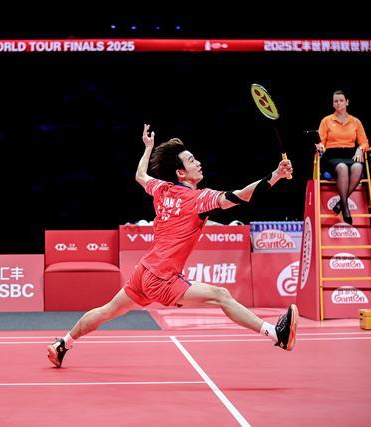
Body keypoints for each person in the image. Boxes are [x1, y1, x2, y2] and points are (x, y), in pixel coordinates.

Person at [47, 124, 298, 368]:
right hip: (162, 278)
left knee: (107, 310)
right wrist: (275, 176)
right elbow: (241, 195)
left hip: (144, 271)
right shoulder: (200, 199)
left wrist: (148, 148)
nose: (198, 163)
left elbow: (140, 176)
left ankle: (62, 344)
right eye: (191, 160)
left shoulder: (162, 190)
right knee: (221, 295)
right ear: (181, 173)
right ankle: (276, 334)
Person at [315, 90, 369, 225]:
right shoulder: (326, 121)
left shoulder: (355, 121)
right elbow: (320, 141)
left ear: (347, 102)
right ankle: (345, 208)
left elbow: (364, 142)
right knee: (342, 167)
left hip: (350, 155)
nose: (338, 103)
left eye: (341, 100)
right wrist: (320, 146)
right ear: (333, 104)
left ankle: (340, 203)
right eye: (336, 101)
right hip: (332, 156)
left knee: (358, 166)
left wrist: (360, 149)